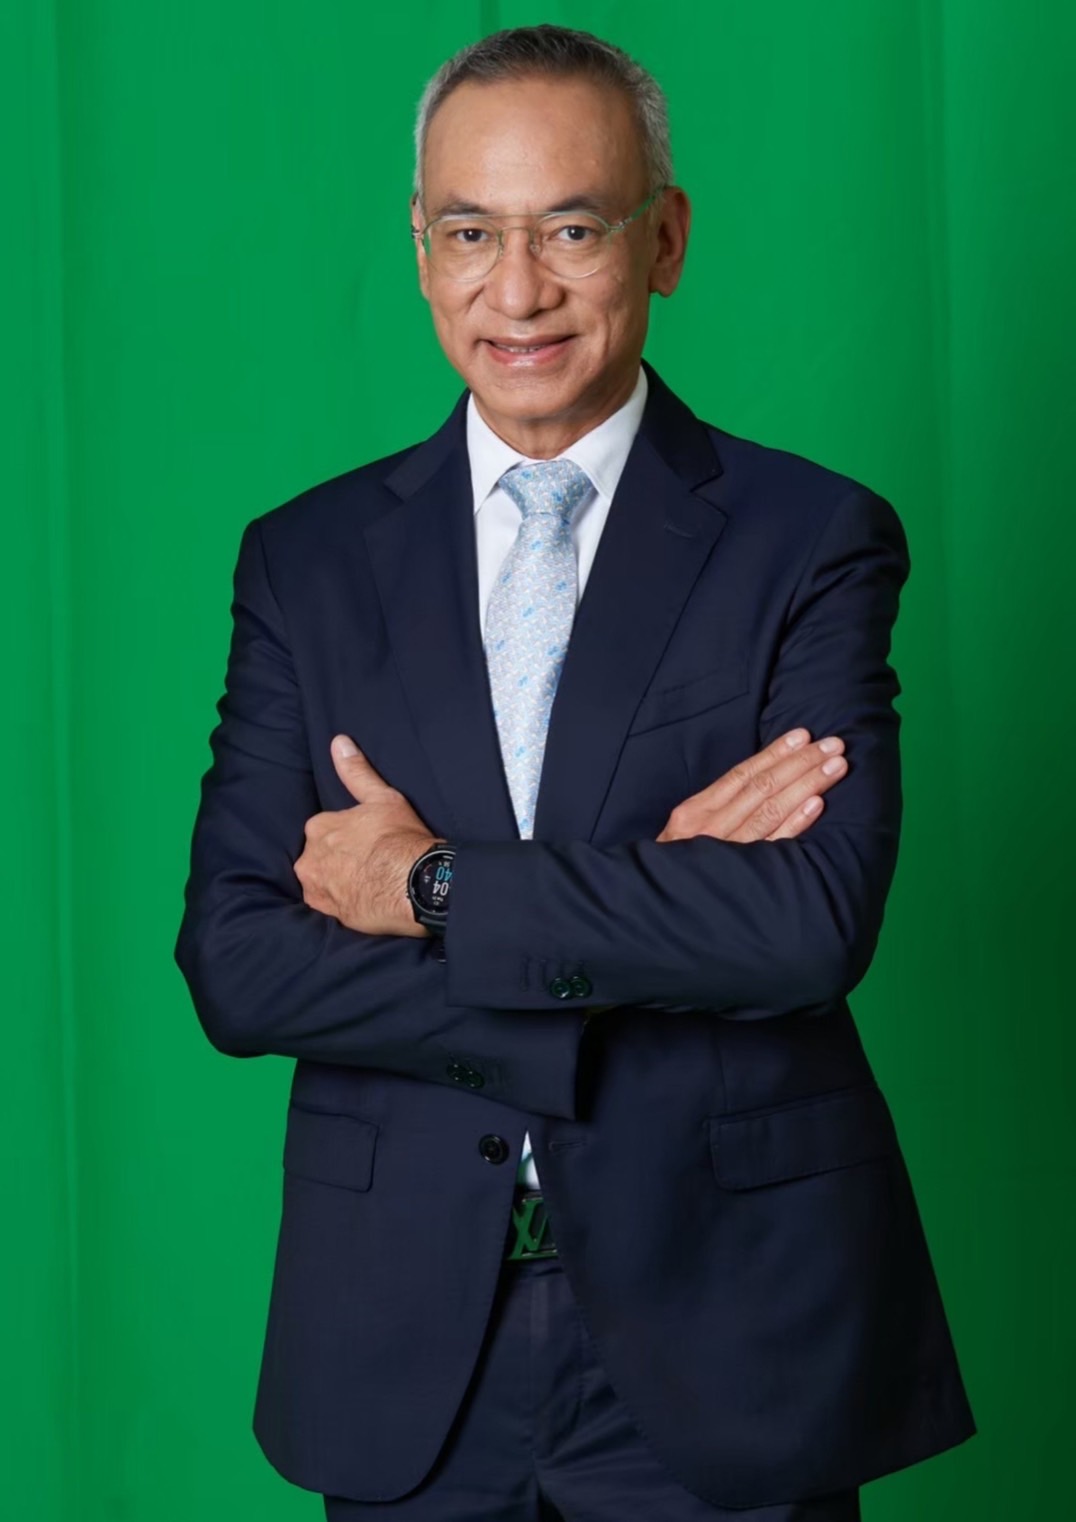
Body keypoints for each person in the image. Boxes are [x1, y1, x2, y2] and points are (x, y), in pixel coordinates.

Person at [175, 24, 976, 1522]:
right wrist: (652, 917)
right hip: (406, 1337)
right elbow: (239, 963)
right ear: (421, 250)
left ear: (662, 240)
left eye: (573, 228)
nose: (519, 289)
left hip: (728, 1330)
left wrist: (430, 886)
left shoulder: (809, 539)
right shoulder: (305, 562)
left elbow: (806, 926)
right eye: (471, 231)